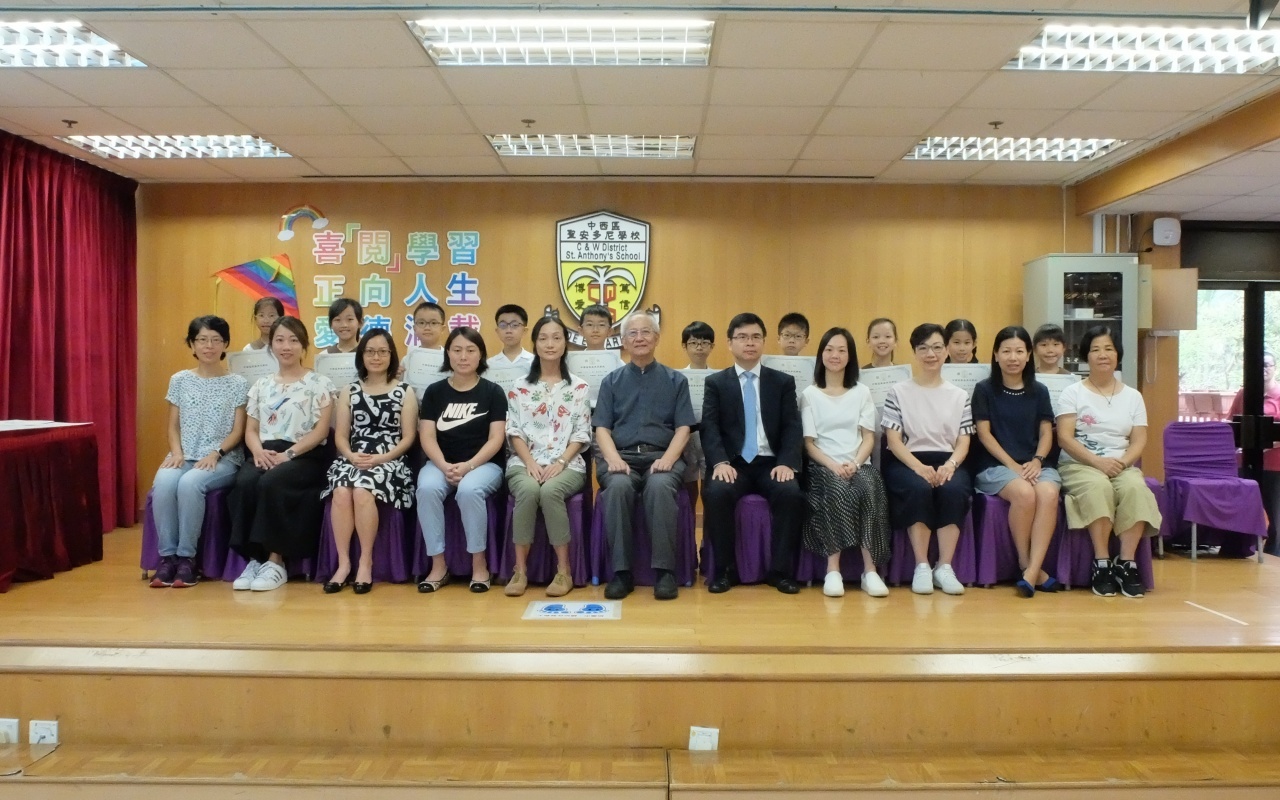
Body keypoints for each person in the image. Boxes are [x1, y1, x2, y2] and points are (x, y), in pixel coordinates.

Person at [228, 316, 336, 592]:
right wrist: (258, 452)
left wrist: (288, 454)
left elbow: (321, 431)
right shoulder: (261, 385)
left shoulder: (320, 383)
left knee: (272, 482)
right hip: (265, 451)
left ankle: (276, 562)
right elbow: (251, 430)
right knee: (245, 482)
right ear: (271, 346)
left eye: (293, 340)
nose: (286, 346)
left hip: (304, 455)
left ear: (304, 345)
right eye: (280, 340)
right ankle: (255, 559)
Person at [594, 312, 695, 601]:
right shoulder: (611, 381)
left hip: (662, 456)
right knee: (617, 487)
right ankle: (621, 573)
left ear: (657, 338)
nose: (639, 338)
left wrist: (669, 459)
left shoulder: (676, 380)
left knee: (660, 486)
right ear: (624, 341)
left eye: (646, 332)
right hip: (621, 457)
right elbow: (601, 428)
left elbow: (684, 428)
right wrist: (613, 458)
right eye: (633, 333)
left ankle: (664, 572)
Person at [1055, 325, 1162, 598]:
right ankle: (1101, 562)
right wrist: (1098, 463)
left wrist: (1123, 463)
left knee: (1136, 489)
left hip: (1121, 463)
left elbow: (1139, 440)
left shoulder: (1133, 396)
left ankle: (1126, 563)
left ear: (1118, 354)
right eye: (1095, 349)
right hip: (1080, 463)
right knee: (1099, 487)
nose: (1102, 355)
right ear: (1086, 356)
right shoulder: (1072, 392)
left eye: (1108, 349)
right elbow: (1065, 438)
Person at [702, 313, 805, 594]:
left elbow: (792, 426)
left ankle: (780, 572)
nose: (750, 343)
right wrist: (719, 462)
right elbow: (709, 427)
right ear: (730, 343)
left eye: (756, 337)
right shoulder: (716, 383)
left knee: (791, 494)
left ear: (763, 342)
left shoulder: (782, 382)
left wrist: (787, 463)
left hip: (771, 463)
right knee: (717, 492)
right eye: (742, 337)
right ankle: (725, 570)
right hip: (733, 463)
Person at [150, 315, 248, 588]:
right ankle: (167, 559)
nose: (209, 346)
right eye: (202, 340)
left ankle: (187, 559)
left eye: (216, 340)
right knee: (164, 482)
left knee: (190, 484)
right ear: (192, 344)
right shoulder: (180, 380)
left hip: (222, 459)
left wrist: (216, 453)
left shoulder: (238, 383)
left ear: (225, 344)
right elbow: (172, 426)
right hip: (183, 455)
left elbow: (238, 431)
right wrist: (176, 453)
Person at [320, 328, 417, 594]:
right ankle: (343, 564)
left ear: (391, 355)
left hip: (390, 459)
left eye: (382, 351)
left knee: (363, 490)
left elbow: (408, 437)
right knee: (341, 492)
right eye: (370, 351)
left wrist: (382, 458)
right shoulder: (349, 391)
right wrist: (351, 456)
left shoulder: (404, 391)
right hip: (354, 456)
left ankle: (365, 562)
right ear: (361, 355)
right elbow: (341, 436)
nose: (376, 357)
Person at [882, 323, 974, 596]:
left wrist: (951, 465)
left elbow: (964, 441)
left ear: (946, 351)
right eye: (923, 348)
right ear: (914, 352)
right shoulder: (897, 392)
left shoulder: (960, 395)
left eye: (936, 347)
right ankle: (921, 565)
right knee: (918, 488)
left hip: (948, 460)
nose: (930, 354)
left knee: (954, 489)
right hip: (908, 460)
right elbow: (893, 440)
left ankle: (944, 567)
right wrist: (918, 467)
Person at [504, 316, 591, 597]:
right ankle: (520, 570)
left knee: (551, 491)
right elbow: (514, 431)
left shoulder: (579, 387)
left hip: (569, 464)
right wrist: (529, 462)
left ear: (565, 344)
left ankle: (564, 571)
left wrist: (561, 462)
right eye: (543, 338)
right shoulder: (519, 386)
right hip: (523, 462)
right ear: (535, 343)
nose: (550, 344)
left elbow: (581, 433)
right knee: (529, 490)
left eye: (556, 337)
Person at [415, 327, 507, 593]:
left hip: (484, 465)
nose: (463, 356)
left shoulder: (493, 392)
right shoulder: (434, 392)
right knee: (427, 488)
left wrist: (468, 466)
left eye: (470, 350)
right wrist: (444, 465)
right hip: (441, 463)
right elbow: (427, 436)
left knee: (468, 490)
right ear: (448, 354)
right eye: (457, 350)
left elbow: (496, 438)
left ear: (481, 355)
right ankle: (438, 565)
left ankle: (479, 565)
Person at [800, 327, 891, 598]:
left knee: (869, 487)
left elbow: (868, 438)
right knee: (837, 489)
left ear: (850, 356)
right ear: (821, 354)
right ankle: (833, 570)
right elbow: (809, 444)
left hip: (857, 463)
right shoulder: (810, 394)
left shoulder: (861, 392)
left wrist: (855, 463)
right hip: (823, 466)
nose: (835, 355)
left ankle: (870, 571)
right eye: (829, 349)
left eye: (841, 350)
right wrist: (833, 465)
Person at [972, 326, 1061, 598]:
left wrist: (1037, 460)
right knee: (1024, 493)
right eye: (1007, 351)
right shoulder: (984, 389)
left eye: (1019, 351)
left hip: (1035, 464)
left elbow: (1046, 433)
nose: (1013, 357)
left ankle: (1031, 571)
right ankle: (1026, 564)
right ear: (996, 355)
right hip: (995, 465)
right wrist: (1012, 465)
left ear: (1028, 355)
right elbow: (984, 434)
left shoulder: (1040, 390)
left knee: (1048, 493)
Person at [1228, 351, 1280, 555]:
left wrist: (1268, 444)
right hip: (1245, 461)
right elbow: (1232, 422)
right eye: (1259, 366)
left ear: (1274, 368)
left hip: (1274, 465)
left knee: (1275, 515)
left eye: (1267, 365)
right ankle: (1241, 550)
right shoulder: (1244, 393)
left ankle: (1273, 555)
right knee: (1243, 510)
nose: (1263, 369)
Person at [681, 321, 716, 490]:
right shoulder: (677, 378)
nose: (699, 347)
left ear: (712, 346)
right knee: (688, 482)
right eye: (693, 343)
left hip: (711, 435)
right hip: (686, 435)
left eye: (705, 343)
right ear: (684, 346)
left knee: (710, 482)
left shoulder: (719, 378)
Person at [242, 297, 283, 371]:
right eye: (261, 315)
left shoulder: (286, 348)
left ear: (281, 318)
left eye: (271, 315)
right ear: (255, 318)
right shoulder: (249, 349)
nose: (266, 320)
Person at [489, 304, 534, 369]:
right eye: (503, 325)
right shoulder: (490, 365)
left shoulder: (534, 362)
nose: (508, 330)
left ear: (524, 331)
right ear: (497, 331)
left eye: (514, 325)